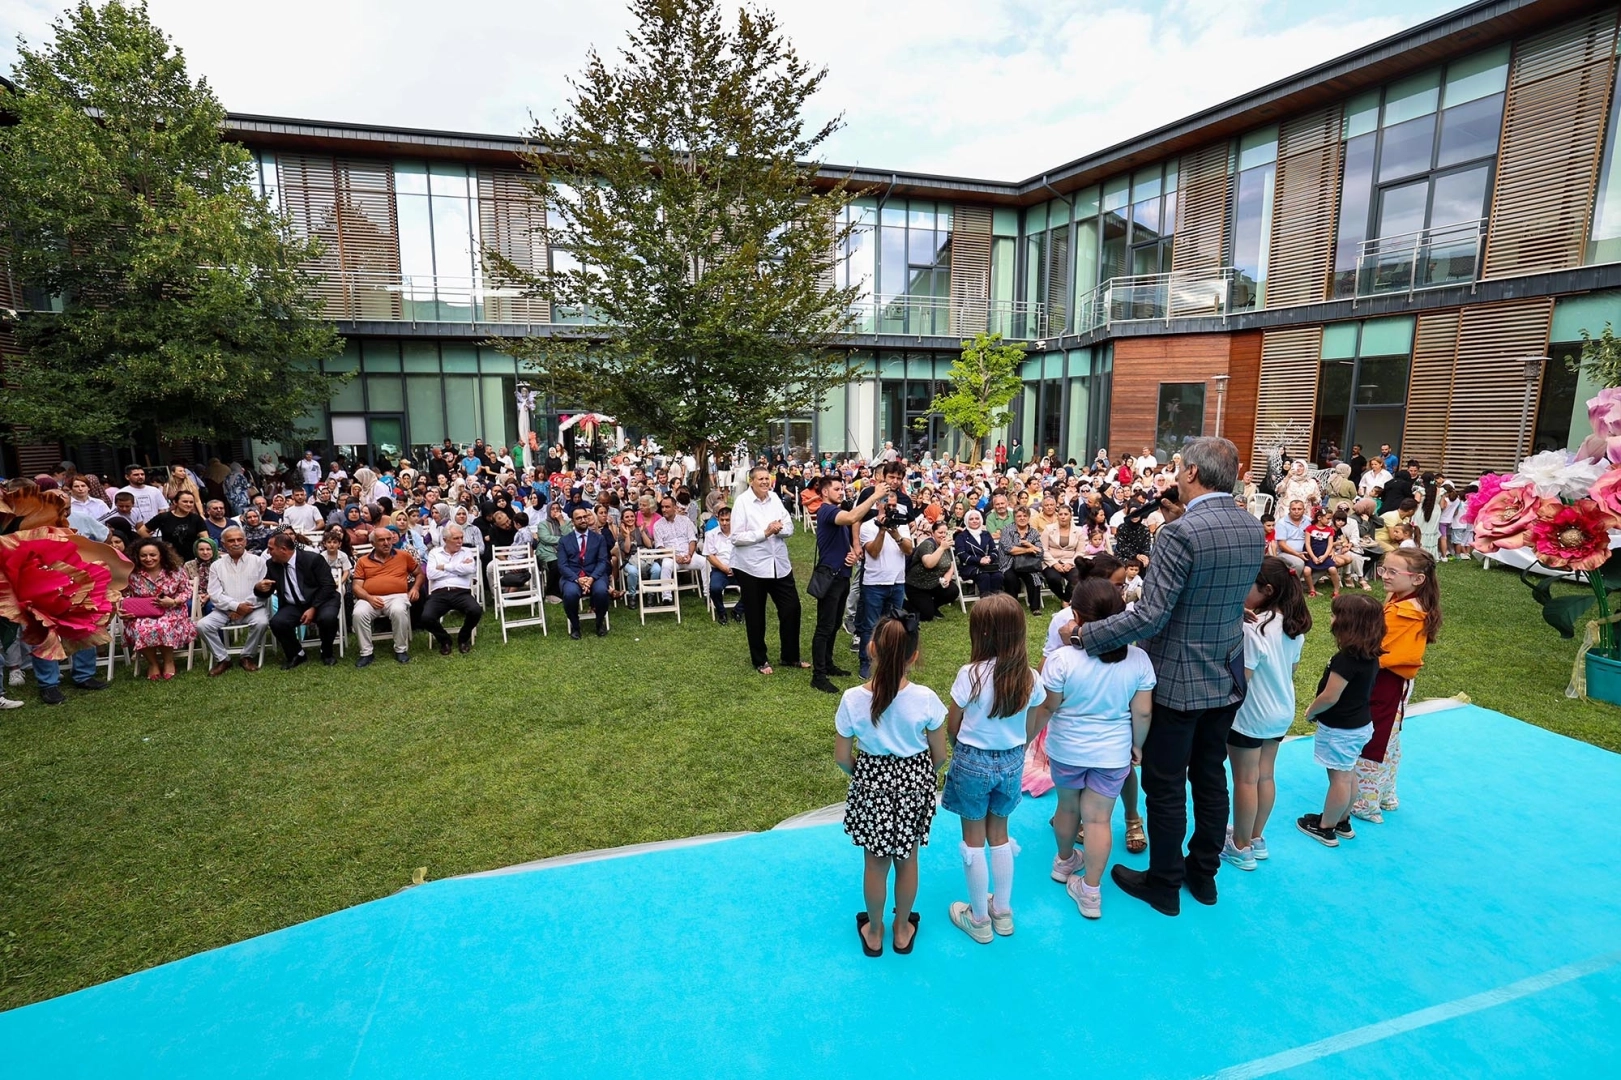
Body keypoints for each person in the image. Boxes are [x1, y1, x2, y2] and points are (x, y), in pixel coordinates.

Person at [1068, 436, 1262, 916]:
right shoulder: (1250, 525)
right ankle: (1204, 876)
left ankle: (1164, 882)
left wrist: (1087, 635)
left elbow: (1150, 616)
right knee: (1211, 777)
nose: (1174, 476)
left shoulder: (1179, 535)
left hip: (1177, 680)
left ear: (1192, 473)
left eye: (1179, 468)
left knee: (1166, 784)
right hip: (1226, 675)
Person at [1029, 578, 1155, 920]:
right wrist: (1137, 745)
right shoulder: (1139, 659)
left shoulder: (1061, 660)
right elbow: (1143, 712)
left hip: (1065, 750)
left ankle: (1064, 862)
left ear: (1076, 617)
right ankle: (1091, 891)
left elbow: (1047, 707)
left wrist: (1026, 739)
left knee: (1067, 807)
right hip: (1113, 754)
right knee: (1099, 819)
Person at [834, 612, 947, 957]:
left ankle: (873, 932)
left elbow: (842, 757)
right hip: (914, 784)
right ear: (914, 656)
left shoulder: (852, 699)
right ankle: (902, 929)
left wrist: (867, 776)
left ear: (871, 649)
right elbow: (939, 756)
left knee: (875, 864)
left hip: (871, 784)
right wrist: (916, 776)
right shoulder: (925, 698)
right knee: (908, 859)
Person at [942, 594, 1038, 944]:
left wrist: (958, 745)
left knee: (973, 840)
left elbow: (953, 723)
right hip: (1011, 760)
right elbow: (1034, 719)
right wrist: (1020, 745)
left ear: (980, 633)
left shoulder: (970, 674)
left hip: (971, 759)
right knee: (1000, 835)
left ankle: (979, 918)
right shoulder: (1030, 677)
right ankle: (1003, 911)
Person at [1222, 557, 1310, 870]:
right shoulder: (1293, 626)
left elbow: (1241, 680)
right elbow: (1292, 669)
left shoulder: (1253, 629)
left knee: (1245, 780)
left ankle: (1240, 846)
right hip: (1281, 711)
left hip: (1251, 716)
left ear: (1268, 590)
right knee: (1265, 775)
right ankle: (1255, 837)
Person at [1351, 548, 1441, 823]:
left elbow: (1379, 648)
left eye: (1393, 571)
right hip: (1392, 680)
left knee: (1374, 738)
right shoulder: (1402, 599)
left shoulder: (1405, 611)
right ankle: (1386, 794)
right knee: (1388, 736)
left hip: (1386, 680)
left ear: (1417, 579)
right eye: (1383, 569)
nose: (1385, 576)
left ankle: (1366, 803)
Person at [1297, 593, 1385, 847]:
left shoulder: (1345, 660)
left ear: (1348, 624)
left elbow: (1330, 696)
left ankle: (1326, 827)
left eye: (1334, 615)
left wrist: (1312, 711)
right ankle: (1342, 820)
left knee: (1339, 779)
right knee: (1348, 773)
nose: (1331, 618)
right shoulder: (1370, 655)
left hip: (1340, 730)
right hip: (1360, 726)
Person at [729, 466, 805, 676]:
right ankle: (760, 659)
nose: (764, 482)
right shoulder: (742, 502)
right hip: (751, 566)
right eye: (760, 479)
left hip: (779, 564)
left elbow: (789, 526)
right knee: (756, 614)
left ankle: (790, 656)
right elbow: (736, 537)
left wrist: (780, 530)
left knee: (792, 608)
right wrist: (765, 532)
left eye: (767, 478)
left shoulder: (775, 499)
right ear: (751, 481)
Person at [810, 476, 883, 694]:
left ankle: (828, 664)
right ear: (825, 492)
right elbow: (853, 517)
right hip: (830, 577)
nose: (841, 491)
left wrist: (850, 554)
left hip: (841, 575)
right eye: (836, 488)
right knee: (824, 627)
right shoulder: (827, 511)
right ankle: (818, 676)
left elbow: (843, 541)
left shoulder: (837, 511)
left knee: (833, 624)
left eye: (842, 488)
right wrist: (875, 496)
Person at [256, 532, 340, 669]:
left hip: (322, 601)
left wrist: (313, 608)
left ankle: (326, 652)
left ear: (283, 549)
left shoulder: (313, 559)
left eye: (271, 549)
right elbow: (268, 590)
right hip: (294, 605)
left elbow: (328, 586)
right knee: (277, 623)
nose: (268, 552)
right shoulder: (272, 564)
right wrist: (259, 588)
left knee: (328, 618)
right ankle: (296, 654)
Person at [121, 538, 197, 680]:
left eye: (152, 555)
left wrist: (173, 601)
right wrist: (120, 608)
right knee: (139, 627)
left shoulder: (175, 571)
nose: (148, 559)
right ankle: (153, 663)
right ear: (137, 556)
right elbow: (122, 594)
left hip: (172, 609)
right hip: (142, 612)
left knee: (163, 625)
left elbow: (187, 591)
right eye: (143, 555)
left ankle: (169, 661)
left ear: (161, 555)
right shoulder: (132, 574)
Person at [197, 527, 270, 675]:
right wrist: (235, 607)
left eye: (239, 539)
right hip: (225, 611)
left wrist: (243, 608)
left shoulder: (259, 562)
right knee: (202, 625)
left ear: (245, 541)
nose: (236, 543)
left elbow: (263, 589)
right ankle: (223, 659)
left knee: (261, 622)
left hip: (253, 608)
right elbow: (215, 593)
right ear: (223, 544)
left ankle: (247, 656)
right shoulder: (217, 565)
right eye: (231, 540)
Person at [857, 490, 913, 681]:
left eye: (893, 505)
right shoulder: (867, 526)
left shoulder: (902, 525)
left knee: (894, 625)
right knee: (870, 626)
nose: (891, 508)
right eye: (887, 504)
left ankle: (892, 661)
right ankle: (866, 662)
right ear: (878, 504)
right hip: (874, 583)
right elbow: (873, 552)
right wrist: (882, 530)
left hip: (897, 582)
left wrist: (895, 533)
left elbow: (909, 550)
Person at [351, 527, 420, 667]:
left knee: (399, 610)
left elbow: (419, 573)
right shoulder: (363, 561)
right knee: (358, 613)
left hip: (397, 596)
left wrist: (415, 588)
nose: (386, 543)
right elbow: (356, 587)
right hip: (370, 598)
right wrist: (369, 598)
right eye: (381, 540)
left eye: (389, 539)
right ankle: (366, 653)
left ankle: (401, 650)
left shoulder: (403, 556)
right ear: (373, 543)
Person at [420, 524, 483, 655]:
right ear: (445, 539)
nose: (460, 541)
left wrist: (444, 567)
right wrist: (458, 569)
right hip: (439, 593)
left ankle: (463, 638)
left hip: (461, 592)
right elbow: (431, 574)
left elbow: (470, 569)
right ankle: (445, 640)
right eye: (456, 538)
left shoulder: (466, 551)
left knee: (476, 610)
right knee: (426, 617)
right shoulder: (435, 553)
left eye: (461, 538)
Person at [559, 506, 611, 639]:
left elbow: (602, 561)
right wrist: (577, 579)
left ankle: (599, 623)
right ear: (572, 521)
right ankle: (575, 626)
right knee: (570, 594)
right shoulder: (564, 540)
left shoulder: (599, 539)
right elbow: (562, 565)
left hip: (595, 575)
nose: (583, 520)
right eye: (579, 518)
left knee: (601, 592)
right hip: (573, 577)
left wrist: (592, 578)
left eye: (585, 517)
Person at [903, 519, 958, 622]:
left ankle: (933, 606)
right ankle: (905, 604)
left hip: (934, 583)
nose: (943, 535)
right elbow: (929, 564)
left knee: (953, 591)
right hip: (917, 585)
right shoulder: (927, 544)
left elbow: (951, 565)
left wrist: (947, 578)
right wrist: (941, 548)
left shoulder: (946, 545)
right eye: (940, 533)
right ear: (933, 533)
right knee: (926, 616)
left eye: (945, 533)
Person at [701, 506, 745, 624]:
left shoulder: (740, 534)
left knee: (754, 586)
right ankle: (721, 613)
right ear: (718, 519)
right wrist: (723, 568)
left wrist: (735, 567)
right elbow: (709, 555)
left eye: (727, 520)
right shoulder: (711, 534)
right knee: (714, 588)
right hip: (719, 569)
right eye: (722, 520)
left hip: (738, 568)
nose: (724, 523)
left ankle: (738, 610)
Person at [998, 506, 1044, 615]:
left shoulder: (1034, 532)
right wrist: (1029, 549)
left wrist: (1030, 545)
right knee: (1011, 579)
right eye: (1019, 516)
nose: (1022, 518)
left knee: (1034, 578)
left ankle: (1035, 608)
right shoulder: (1007, 530)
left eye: (1025, 516)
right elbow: (1009, 549)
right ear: (1014, 517)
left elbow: (1040, 552)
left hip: (1028, 564)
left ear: (1028, 517)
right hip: (1009, 563)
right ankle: (1012, 607)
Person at [1040, 504, 1084, 603]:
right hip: (1051, 561)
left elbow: (1080, 551)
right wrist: (1054, 564)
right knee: (1053, 578)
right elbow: (1043, 549)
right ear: (1057, 516)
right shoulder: (1049, 529)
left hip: (1070, 561)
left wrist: (1071, 563)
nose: (1063, 517)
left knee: (1078, 577)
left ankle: (1066, 600)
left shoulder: (1079, 531)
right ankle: (1062, 597)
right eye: (1060, 514)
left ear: (1070, 516)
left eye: (1066, 514)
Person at [954, 509, 1003, 597]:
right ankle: (985, 602)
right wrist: (979, 560)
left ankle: (996, 601)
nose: (974, 521)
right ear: (966, 521)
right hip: (969, 566)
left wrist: (990, 558)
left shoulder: (986, 534)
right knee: (984, 576)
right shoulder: (961, 537)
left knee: (998, 576)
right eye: (971, 519)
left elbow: (994, 550)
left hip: (988, 565)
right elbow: (962, 555)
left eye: (977, 518)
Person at [144, 490, 206, 557]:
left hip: (191, 557)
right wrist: (156, 545)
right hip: (168, 556)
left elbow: (205, 538)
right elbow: (142, 531)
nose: (188, 504)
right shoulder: (163, 517)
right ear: (175, 502)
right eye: (185, 501)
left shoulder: (197, 519)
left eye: (191, 502)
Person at [1304, 507, 1341, 598]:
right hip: (1312, 554)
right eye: (1328, 518)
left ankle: (1336, 591)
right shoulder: (1310, 528)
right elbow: (1307, 544)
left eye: (1330, 519)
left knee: (1333, 569)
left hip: (1324, 554)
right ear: (1319, 518)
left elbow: (1330, 545)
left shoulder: (1330, 530)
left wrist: (1324, 556)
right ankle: (1312, 590)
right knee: (1307, 571)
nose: (1329, 521)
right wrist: (1313, 557)